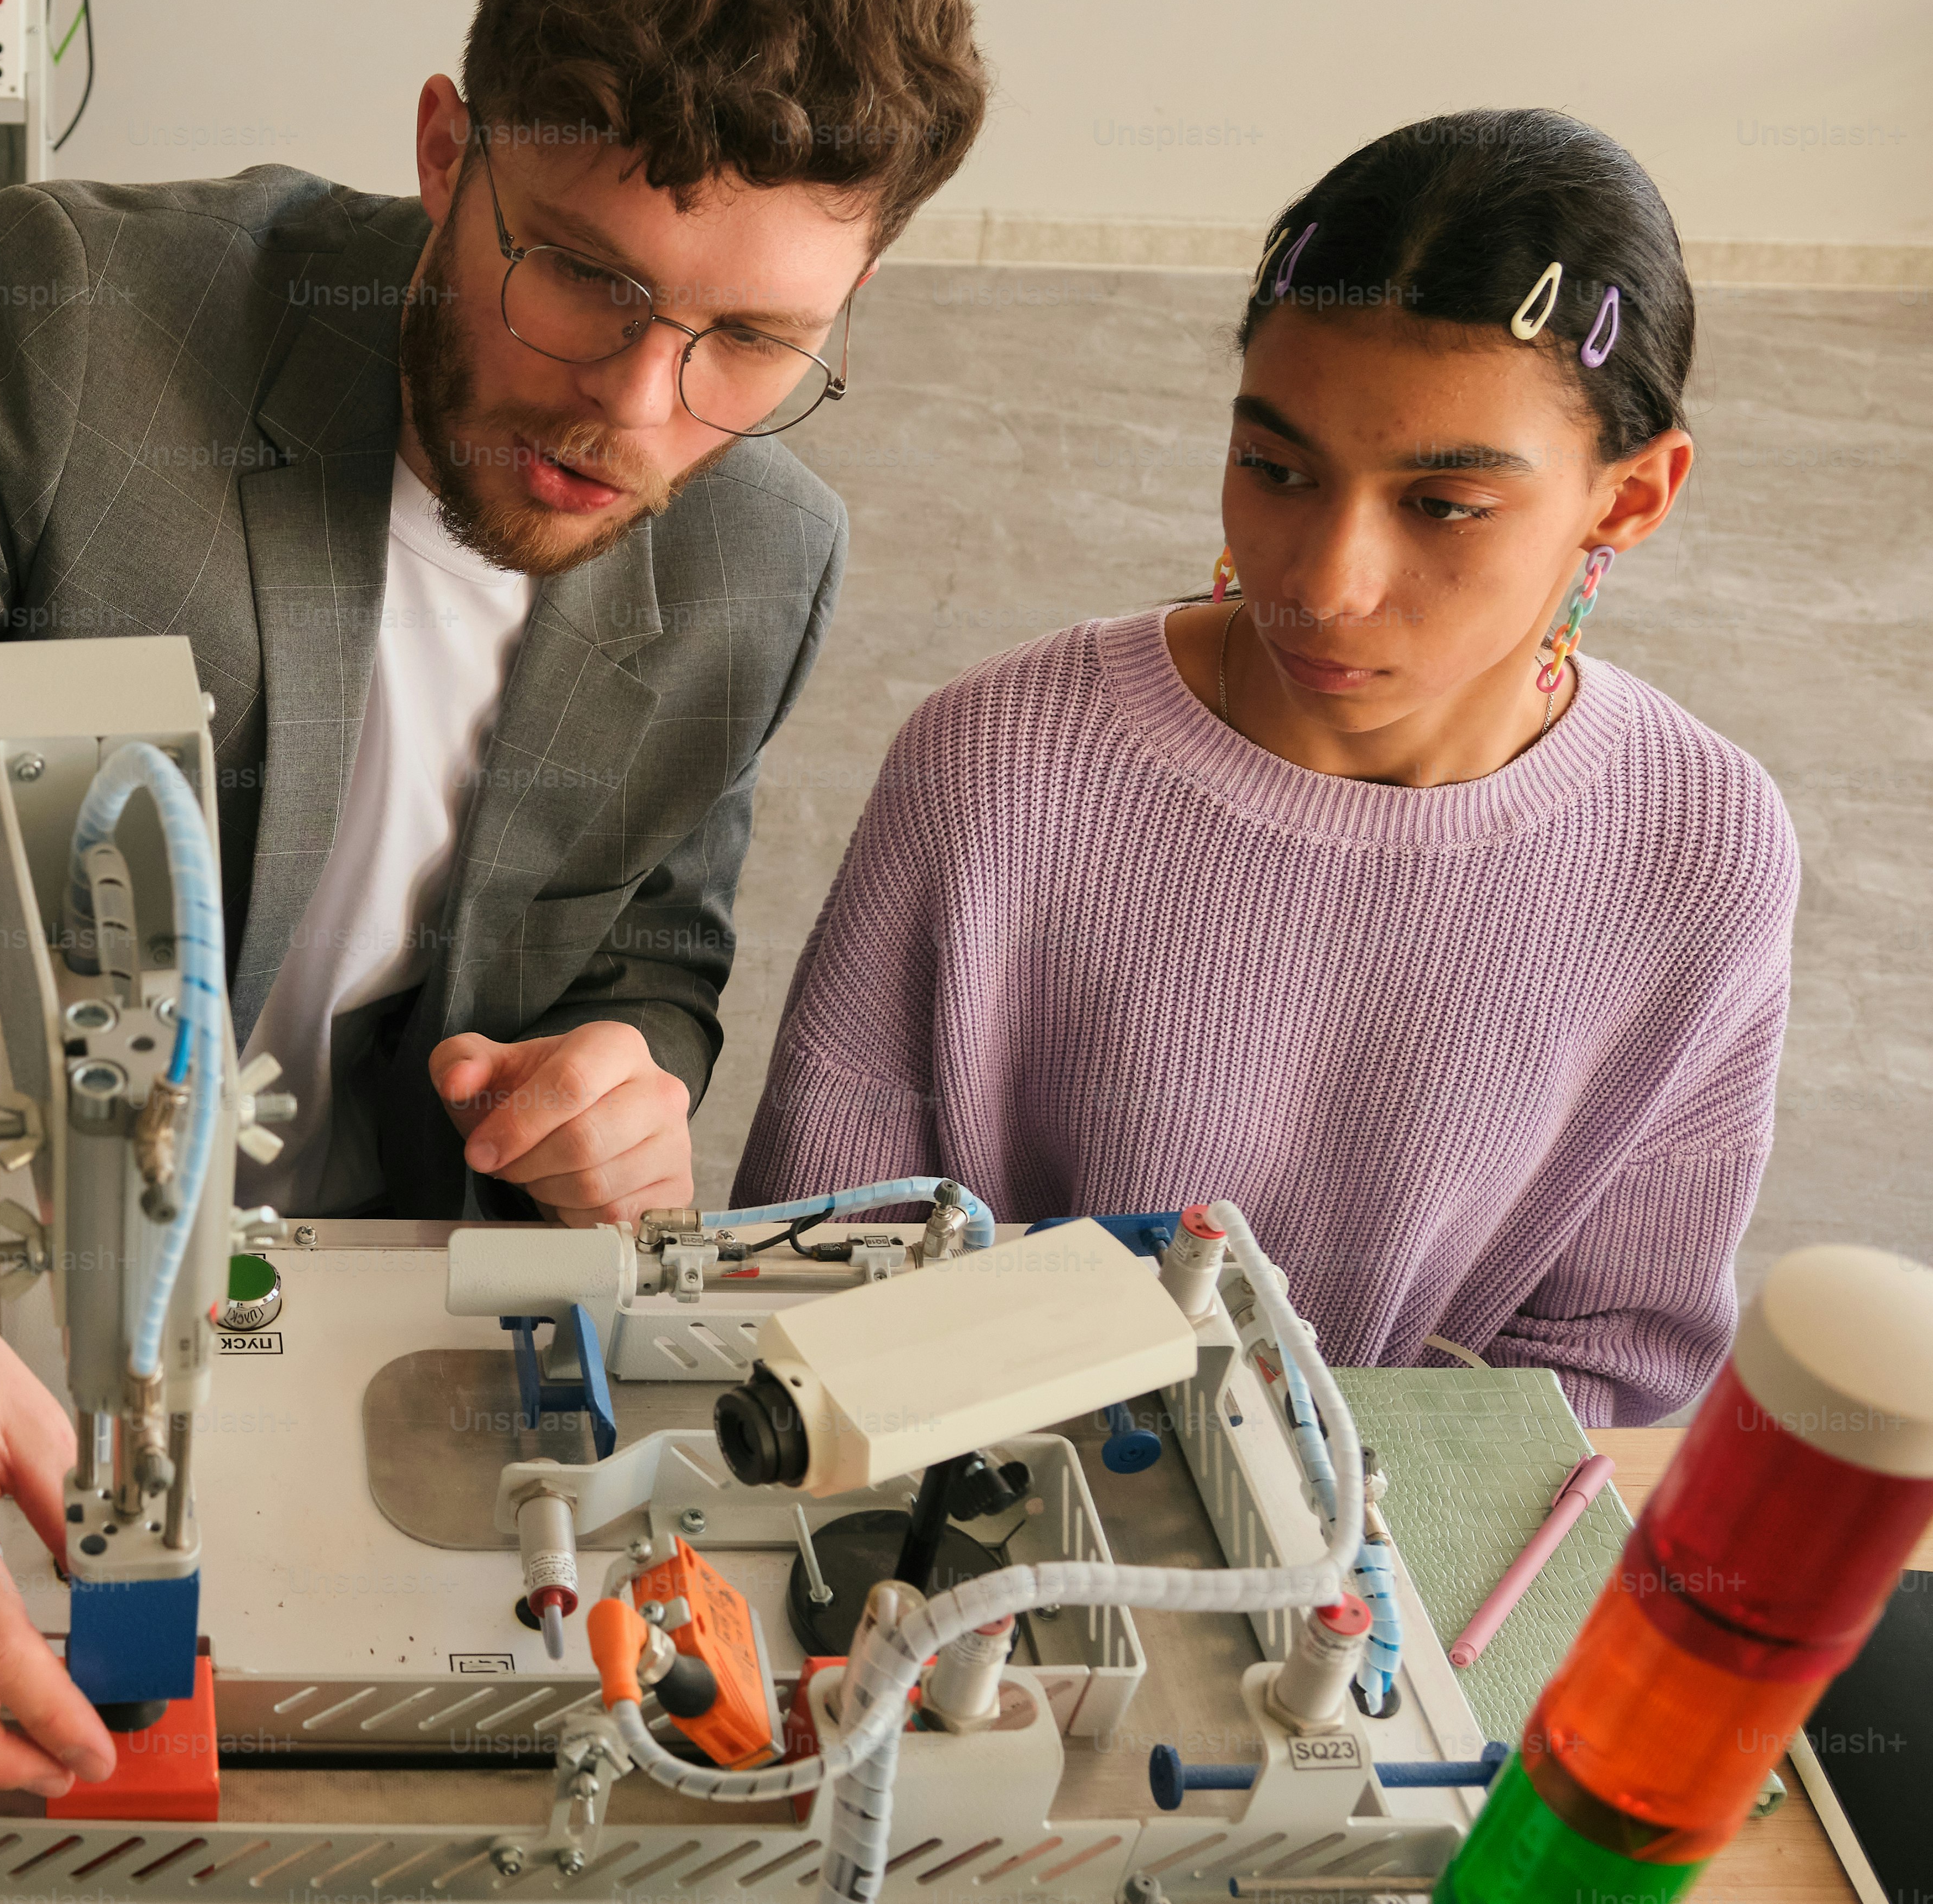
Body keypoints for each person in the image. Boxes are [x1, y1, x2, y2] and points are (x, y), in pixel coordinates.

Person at [0, 0, 986, 1791]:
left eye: (750, 342)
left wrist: (628, 1074)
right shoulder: (71, 326)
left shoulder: (761, 550)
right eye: (581, 277)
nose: (638, 412)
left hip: (369, 1338)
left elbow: (651, 928)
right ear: (443, 154)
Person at [737, 108, 1795, 1429]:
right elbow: (816, 1270)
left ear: (1627, 500)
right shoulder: (994, 769)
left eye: (1443, 505)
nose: (1328, 583)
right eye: (1274, 468)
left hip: (1412, 1574)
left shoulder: (1699, 847)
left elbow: (1603, 1364)